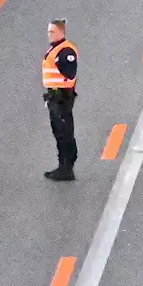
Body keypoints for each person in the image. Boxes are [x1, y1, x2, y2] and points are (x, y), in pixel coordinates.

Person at [42, 19, 79, 182]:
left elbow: (70, 73)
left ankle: (67, 168)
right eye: (48, 31)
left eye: (52, 31)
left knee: (65, 133)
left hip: (62, 98)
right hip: (55, 97)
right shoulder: (55, 49)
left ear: (61, 32)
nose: (49, 34)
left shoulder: (66, 51)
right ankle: (62, 166)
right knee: (59, 132)